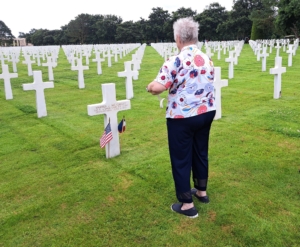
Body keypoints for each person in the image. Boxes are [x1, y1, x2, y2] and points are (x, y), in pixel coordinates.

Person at [146, 17, 216, 218]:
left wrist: (149, 86)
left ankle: (187, 204)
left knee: (181, 157)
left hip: (182, 116)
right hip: (206, 112)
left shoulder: (175, 60)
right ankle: (201, 192)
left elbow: (159, 87)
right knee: (200, 151)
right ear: (195, 37)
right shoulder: (207, 58)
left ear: (178, 38)